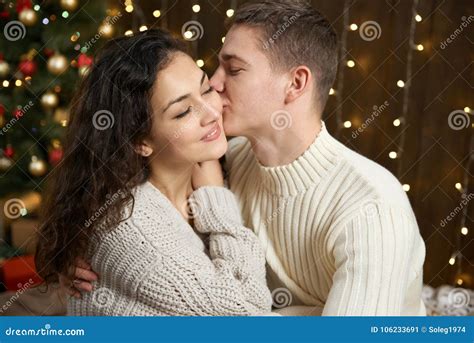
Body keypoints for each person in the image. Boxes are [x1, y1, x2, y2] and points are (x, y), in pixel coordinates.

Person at [65, 0, 426, 316]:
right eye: (213, 73)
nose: (216, 87)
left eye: (233, 70)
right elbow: (122, 190)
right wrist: (84, 255)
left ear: (295, 84)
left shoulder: (370, 209)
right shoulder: (221, 161)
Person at [35, 29, 273, 316]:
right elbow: (250, 317)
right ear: (140, 142)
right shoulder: (128, 222)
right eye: (183, 111)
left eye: (206, 89)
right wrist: (216, 196)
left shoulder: (220, 164)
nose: (211, 113)